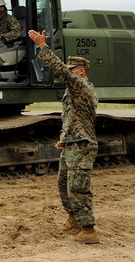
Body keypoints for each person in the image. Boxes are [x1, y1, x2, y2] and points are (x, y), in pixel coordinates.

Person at [27, 28, 100, 244]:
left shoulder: (82, 87)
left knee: (78, 187)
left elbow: (61, 70)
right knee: (64, 184)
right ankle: (74, 219)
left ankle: (88, 230)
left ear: (80, 72)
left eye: (71, 70)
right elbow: (72, 116)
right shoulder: (73, 91)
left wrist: (43, 46)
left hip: (83, 145)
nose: (67, 74)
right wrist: (63, 138)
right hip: (72, 143)